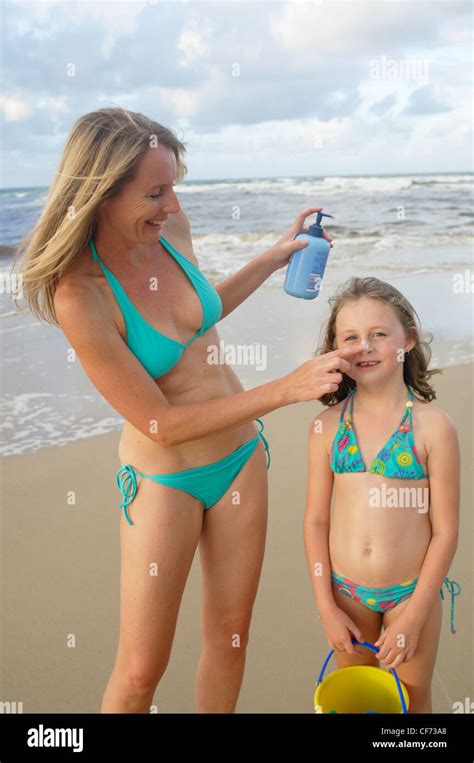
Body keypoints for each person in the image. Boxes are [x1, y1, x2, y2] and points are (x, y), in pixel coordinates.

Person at [15, 107, 361, 713]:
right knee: (141, 670)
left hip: (240, 461)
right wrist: (287, 388)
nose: (171, 204)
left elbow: (198, 313)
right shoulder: (81, 293)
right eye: (155, 191)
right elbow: (159, 423)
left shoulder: (171, 230)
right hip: (164, 480)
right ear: (101, 191)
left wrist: (274, 256)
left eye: (173, 186)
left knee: (230, 639)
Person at [303, 276, 461, 713]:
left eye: (379, 334)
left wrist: (414, 615)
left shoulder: (434, 427)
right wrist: (325, 607)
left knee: (409, 700)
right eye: (351, 337)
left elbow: (446, 531)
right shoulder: (327, 427)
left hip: (413, 593)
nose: (365, 346)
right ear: (336, 348)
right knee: (355, 698)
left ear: (407, 340)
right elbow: (316, 520)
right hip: (345, 594)